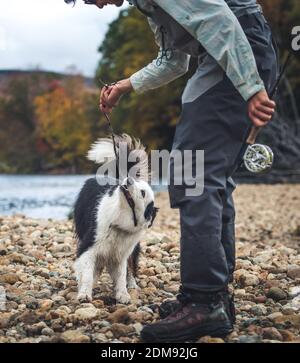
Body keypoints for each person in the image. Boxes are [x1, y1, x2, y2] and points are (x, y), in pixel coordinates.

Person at [65, 0, 278, 342]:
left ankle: (205, 300)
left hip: (237, 50)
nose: (98, 5)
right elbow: (175, 60)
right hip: (226, 55)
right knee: (207, 177)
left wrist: (251, 86)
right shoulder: (146, 4)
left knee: (193, 175)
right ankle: (214, 295)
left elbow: (218, 20)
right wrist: (125, 85)